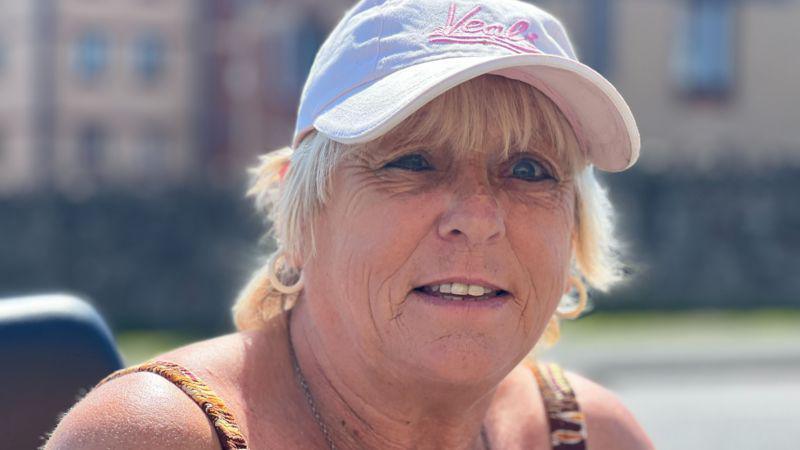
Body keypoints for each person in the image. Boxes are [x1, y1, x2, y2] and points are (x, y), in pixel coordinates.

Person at [46, 0, 655, 448]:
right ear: (298, 212)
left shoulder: (593, 435)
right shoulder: (155, 438)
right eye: (411, 161)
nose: (477, 216)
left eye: (529, 169)